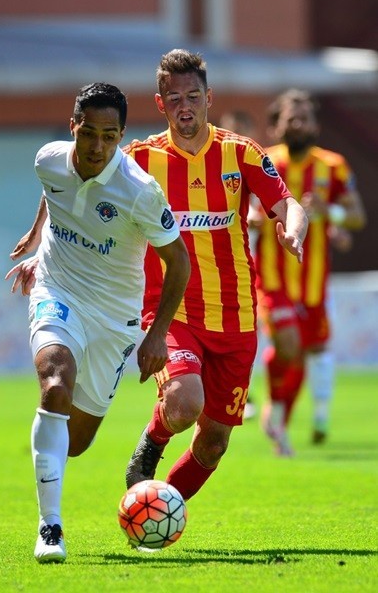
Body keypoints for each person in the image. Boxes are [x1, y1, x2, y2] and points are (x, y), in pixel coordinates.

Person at [5, 82, 190, 563]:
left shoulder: (140, 191)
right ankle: (50, 528)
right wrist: (38, 236)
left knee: (77, 442)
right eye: (88, 133)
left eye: (109, 136)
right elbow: (54, 191)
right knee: (55, 385)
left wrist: (157, 334)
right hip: (57, 291)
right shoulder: (48, 159)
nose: (97, 146)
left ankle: (51, 450)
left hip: (114, 317)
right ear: (73, 127)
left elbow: (179, 262)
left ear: (121, 136)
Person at [122, 49, 308, 502]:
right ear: (160, 103)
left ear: (209, 98)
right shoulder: (138, 159)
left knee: (214, 443)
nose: (184, 106)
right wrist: (44, 245)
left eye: (193, 96)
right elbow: (79, 181)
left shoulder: (240, 153)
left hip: (236, 316)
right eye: (174, 98)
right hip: (173, 311)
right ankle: (152, 441)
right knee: (185, 402)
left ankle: (155, 512)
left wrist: (294, 231)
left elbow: (288, 203)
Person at [251, 88, 366, 455]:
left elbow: (357, 216)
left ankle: (280, 418)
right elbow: (245, 206)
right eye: (291, 118)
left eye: (305, 118)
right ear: (277, 126)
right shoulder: (263, 161)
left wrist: (329, 213)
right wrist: (252, 219)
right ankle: (277, 407)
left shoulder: (333, 166)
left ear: (316, 125)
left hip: (313, 282)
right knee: (289, 344)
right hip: (272, 277)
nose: (298, 124)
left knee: (303, 352)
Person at [219, 109, 260, 419]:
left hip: (251, 269)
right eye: (230, 130)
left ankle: (247, 393)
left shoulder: (258, 164)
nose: (234, 137)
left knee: (248, 336)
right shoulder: (215, 163)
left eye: (240, 130)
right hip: (215, 266)